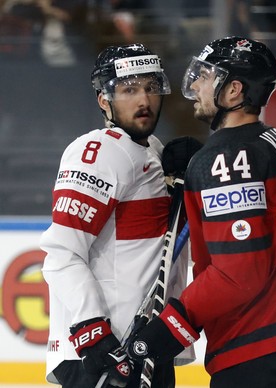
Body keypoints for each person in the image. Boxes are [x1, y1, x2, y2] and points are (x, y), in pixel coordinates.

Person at [126, 36, 276, 388]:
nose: (194, 84)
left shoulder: (226, 158)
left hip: (263, 330)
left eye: (205, 76)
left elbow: (238, 273)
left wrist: (173, 323)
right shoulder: (270, 139)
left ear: (233, 90)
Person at [40, 43, 195, 387]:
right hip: (108, 350)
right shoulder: (97, 152)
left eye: (151, 87)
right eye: (129, 89)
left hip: (145, 345)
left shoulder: (153, 152)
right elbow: (63, 252)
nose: (143, 100)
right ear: (103, 100)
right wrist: (93, 333)